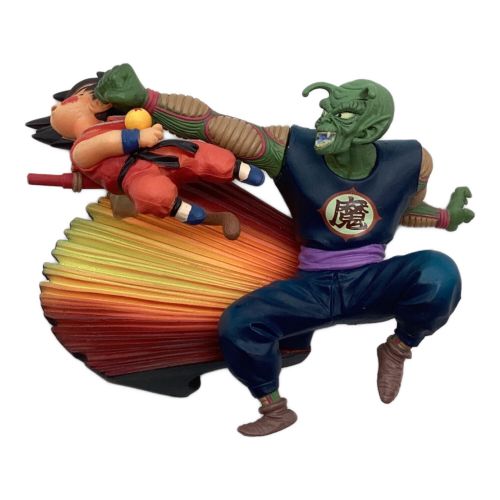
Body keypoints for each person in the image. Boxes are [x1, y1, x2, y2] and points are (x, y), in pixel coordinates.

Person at [94, 65, 474, 437]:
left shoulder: (412, 160)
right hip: (312, 288)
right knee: (239, 324)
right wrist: (146, 98)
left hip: (370, 283)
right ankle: (274, 408)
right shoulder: (290, 148)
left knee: (439, 272)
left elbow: (405, 208)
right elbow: (212, 125)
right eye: (325, 110)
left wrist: (445, 217)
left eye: (340, 115)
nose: (324, 121)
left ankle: (398, 348)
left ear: (370, 130)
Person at [29, 76, 265, 239]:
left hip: (159, 153)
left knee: (195, 152)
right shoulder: (80, 149)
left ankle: (238, 169)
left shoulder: (115, 120)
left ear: (99, 104)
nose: (53, 108)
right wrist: (138, 137)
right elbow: (106, 143)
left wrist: (149, 128)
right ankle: (181, 209)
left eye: (67, 100)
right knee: (150, 193)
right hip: (133, 175)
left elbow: (135, 125)